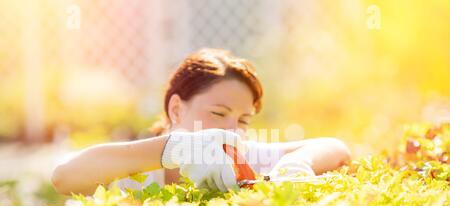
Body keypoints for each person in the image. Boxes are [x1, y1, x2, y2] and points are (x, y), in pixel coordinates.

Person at [51, 48, 351, 196]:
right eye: (218, 114)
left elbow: (334, 147)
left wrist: (296, 164)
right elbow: (64, 177)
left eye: (244, 120)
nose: (233, 130)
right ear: (176, 110)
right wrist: (176, 150)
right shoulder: (134, 172)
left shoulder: (244, 158)